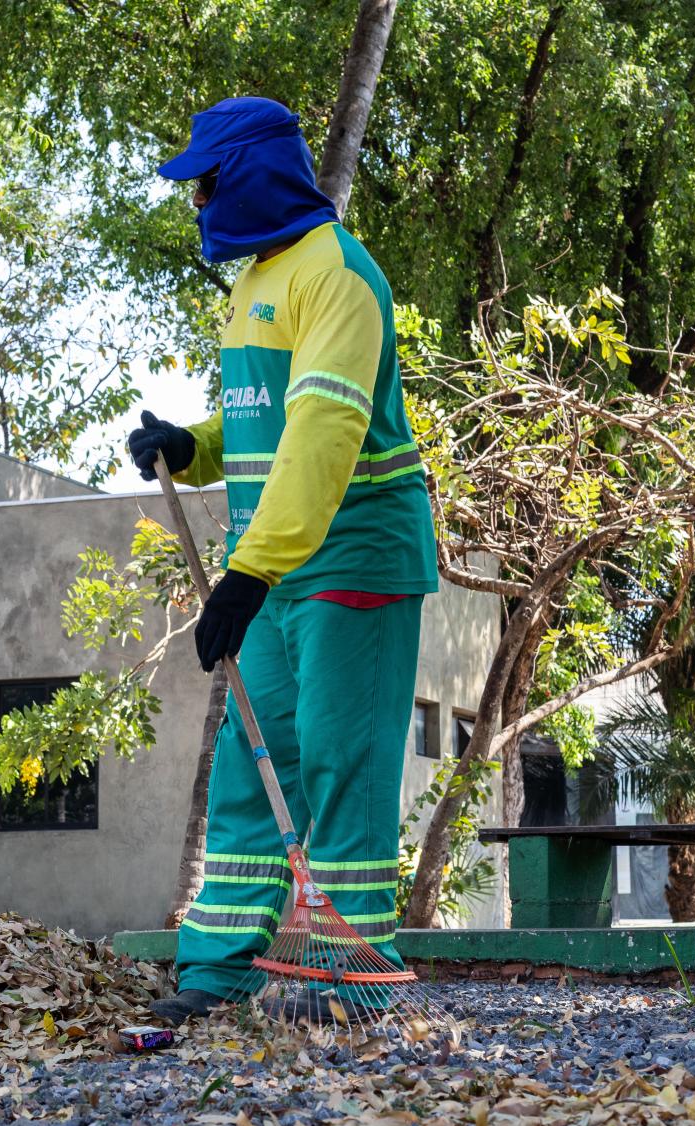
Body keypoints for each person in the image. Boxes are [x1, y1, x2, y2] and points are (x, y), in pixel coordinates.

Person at [127, 97, 438, 1024]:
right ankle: (219, 968)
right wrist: (194, 446)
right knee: (251, 764)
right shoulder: (260, 280)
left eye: (207, 185)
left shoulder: (339, 276)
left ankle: (351, 976)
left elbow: (323, 434)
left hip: (355, 557)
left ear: (255, 175)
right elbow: (264, 420)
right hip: (276, 566)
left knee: (343, 761)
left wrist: (249, 572)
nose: (198, 204)